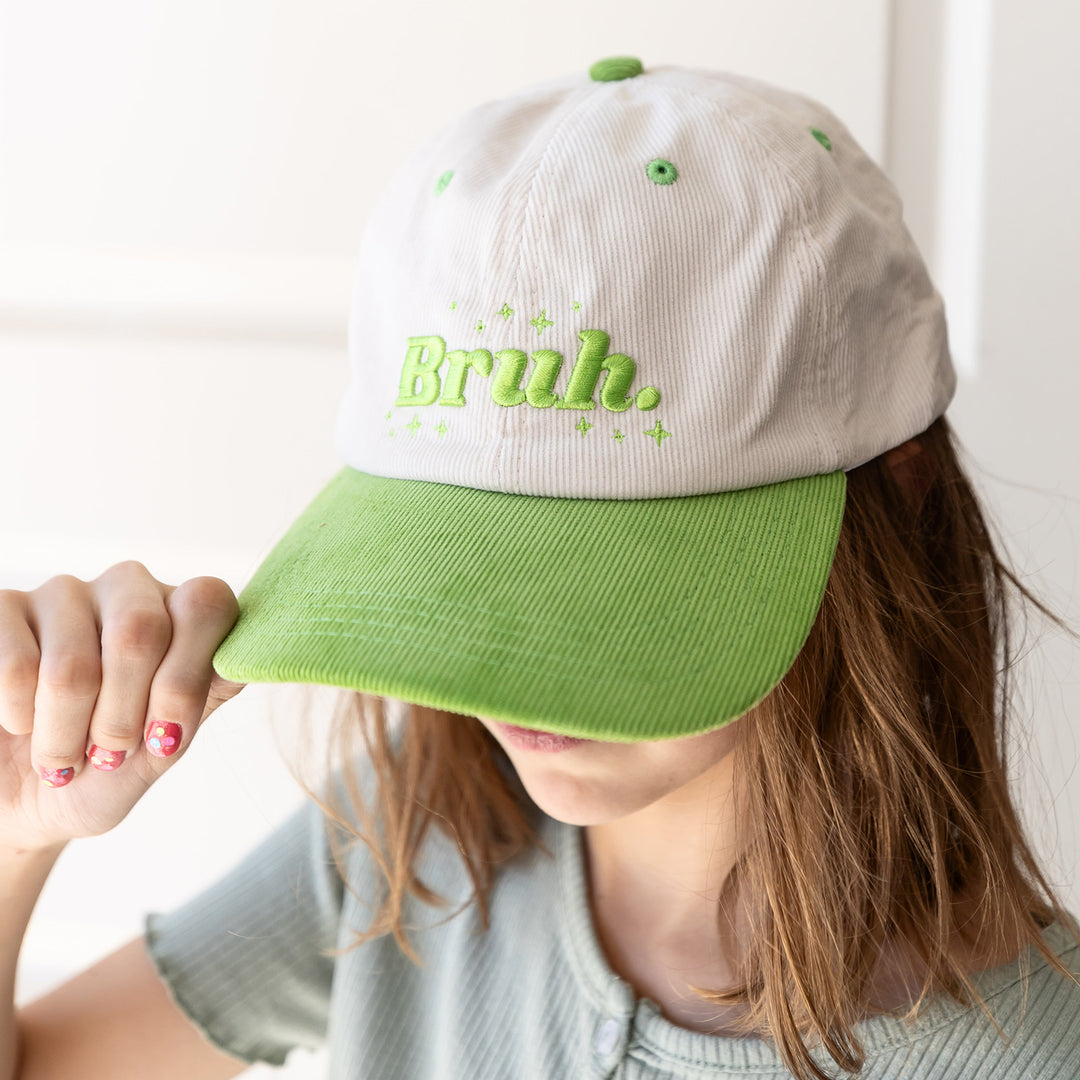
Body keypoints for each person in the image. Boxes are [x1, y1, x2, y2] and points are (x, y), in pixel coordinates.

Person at [2, 56, 1079, 1080]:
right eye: (463, 561)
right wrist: (18, 828)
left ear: (899, 486)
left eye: (603, 575)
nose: (513, 663)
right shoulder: (411, 840)